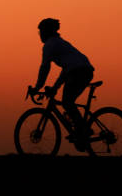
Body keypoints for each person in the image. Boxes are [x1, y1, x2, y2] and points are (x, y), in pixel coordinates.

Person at [30, 17, 94, 149]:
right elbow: (66, 70)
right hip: (82, 70)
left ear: (47, 32)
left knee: (67, 102)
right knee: (68, 102)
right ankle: (81, 131)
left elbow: (45, 67)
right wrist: (55, 87)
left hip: (79, 72)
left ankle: (83, 130)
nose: (40, 35)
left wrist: (37, 87)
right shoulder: (59, 43)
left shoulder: (49, 45)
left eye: (41, 31)